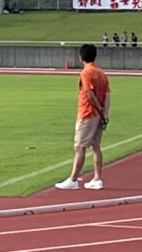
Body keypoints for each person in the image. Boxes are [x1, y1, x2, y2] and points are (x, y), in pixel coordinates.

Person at [55, 43, 110, 191]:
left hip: (88, 113)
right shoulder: (101, 73)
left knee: (79, 146)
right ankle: (97, 178)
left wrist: (99, 109)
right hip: (98, 115)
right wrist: (105, 113)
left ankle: (73, 179)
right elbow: (107, 95)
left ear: (81, 57)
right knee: (96, 146)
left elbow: (89, 94)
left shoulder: (86, 73)